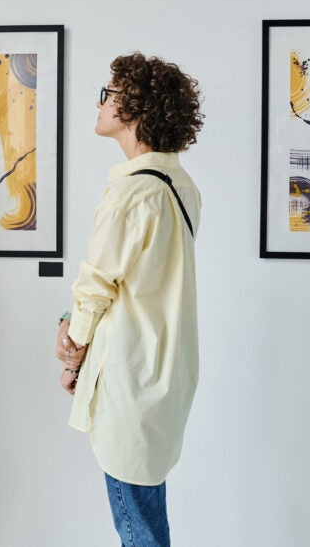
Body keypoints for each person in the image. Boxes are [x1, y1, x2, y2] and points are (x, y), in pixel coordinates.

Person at [56, 52, 204, 546]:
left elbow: (97, 284)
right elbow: (136, 284)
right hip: (162, 371)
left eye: (110, 94)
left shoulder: (133, 193)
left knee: (137, 526)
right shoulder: (180, 186)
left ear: (135, 108)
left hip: (130, 375)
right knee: (145, 507)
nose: (101, 103)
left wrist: (72, 346)